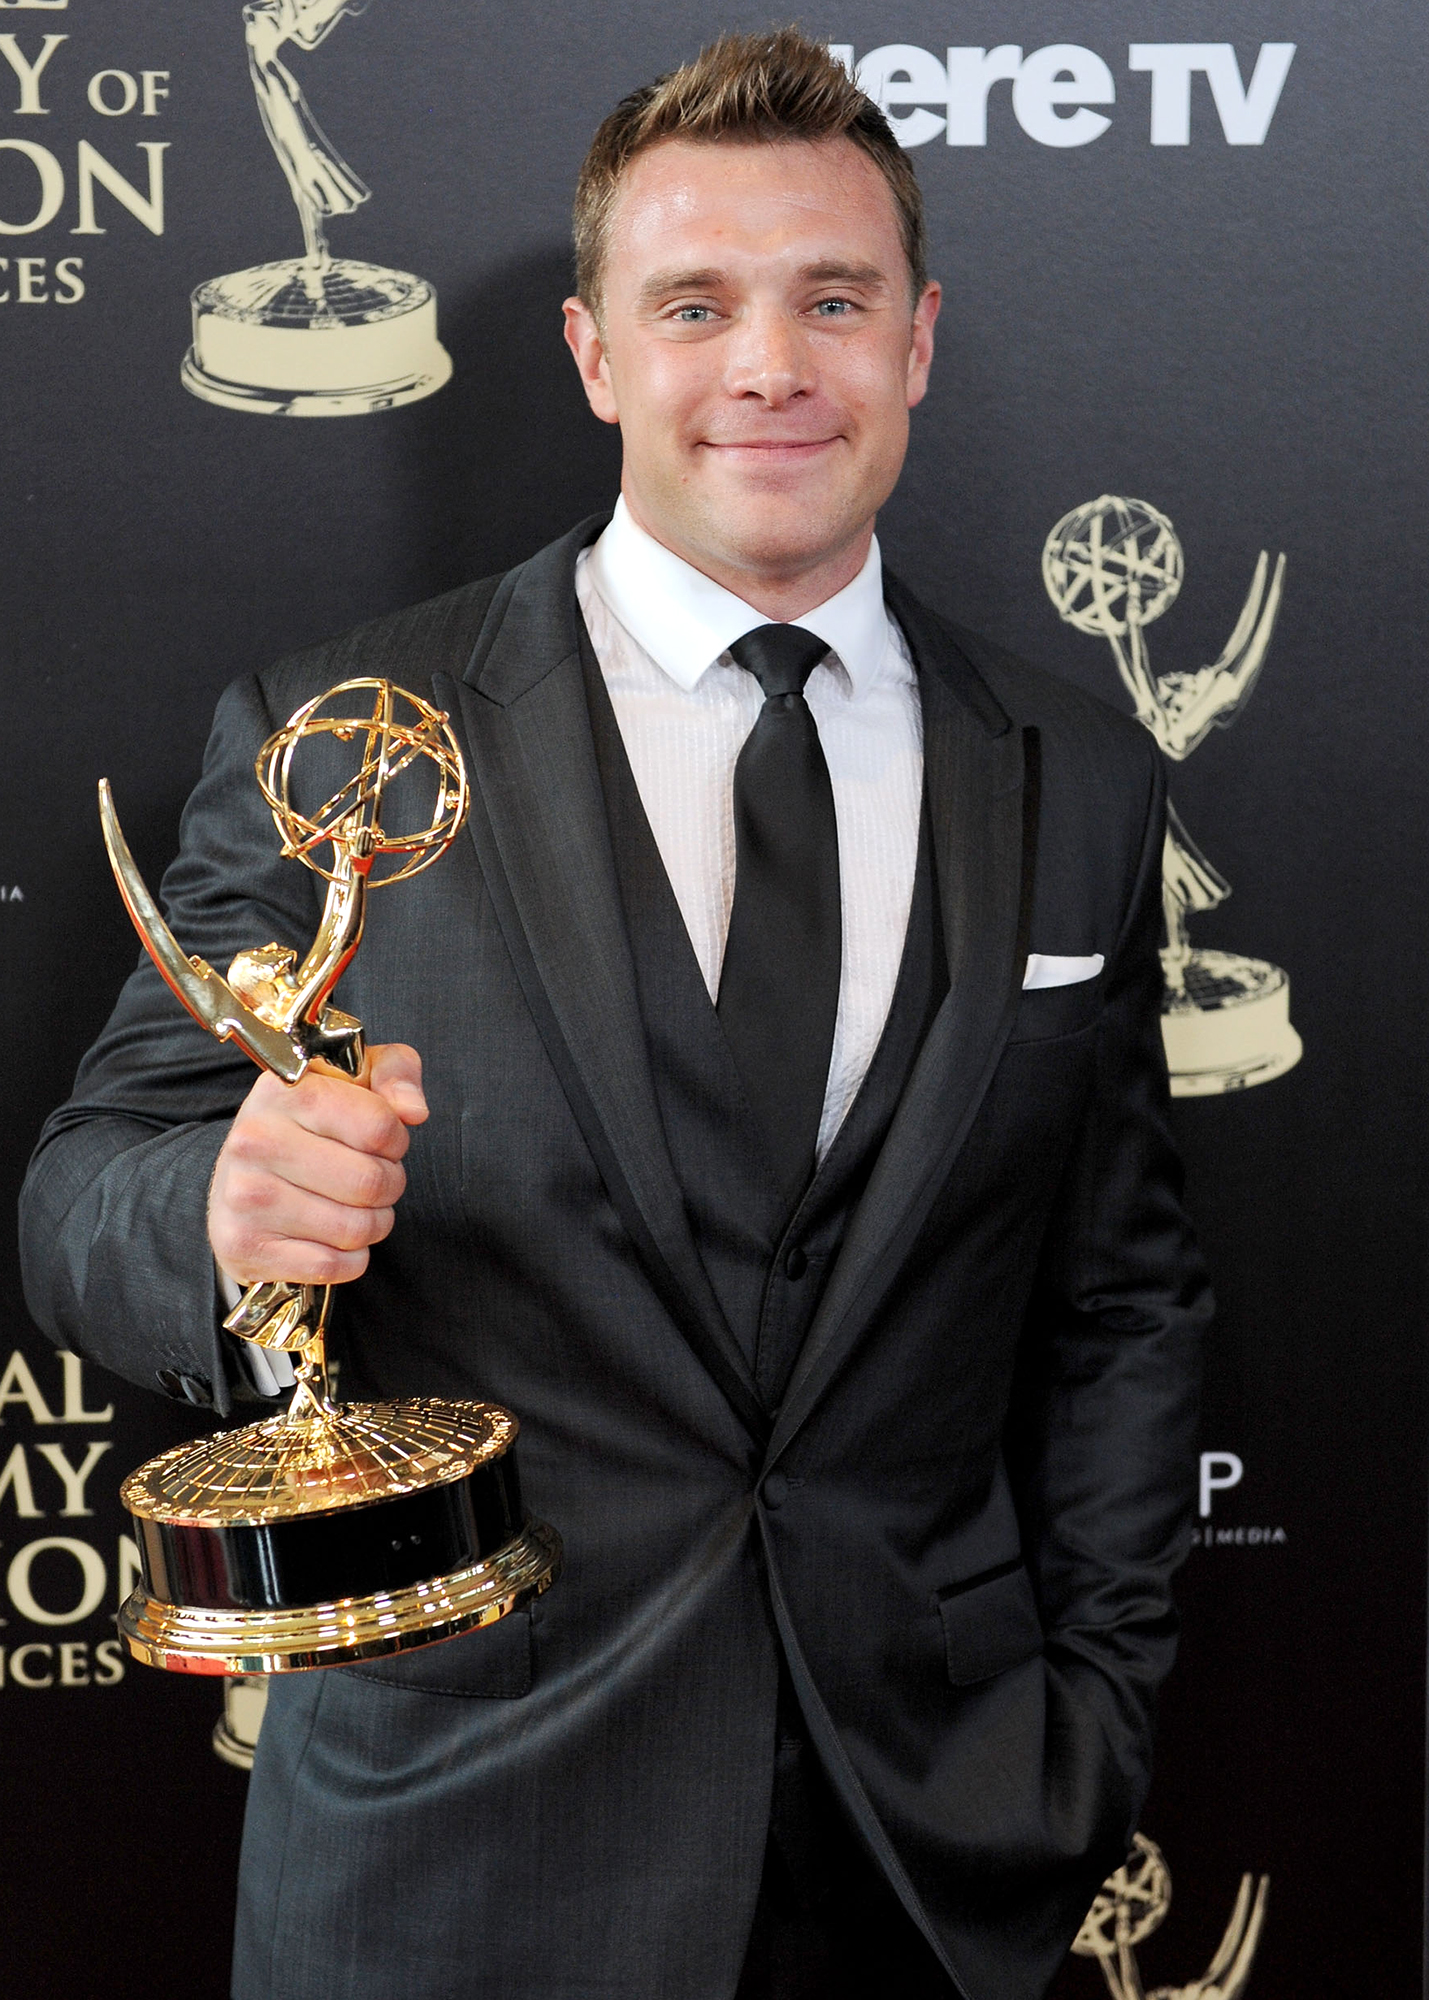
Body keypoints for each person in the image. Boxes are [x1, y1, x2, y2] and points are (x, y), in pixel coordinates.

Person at [20, 29, 1209, 2000]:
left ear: (917, 340)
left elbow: (1122, 1300)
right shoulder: (340, 735)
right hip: (461, 1854)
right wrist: (220, 1215)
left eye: (834, 300)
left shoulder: (1074, 767)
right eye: (694, 305)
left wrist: (1087, 1713)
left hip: (930, 1851)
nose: (770, 365)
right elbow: (83, 1192)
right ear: (593, 355)